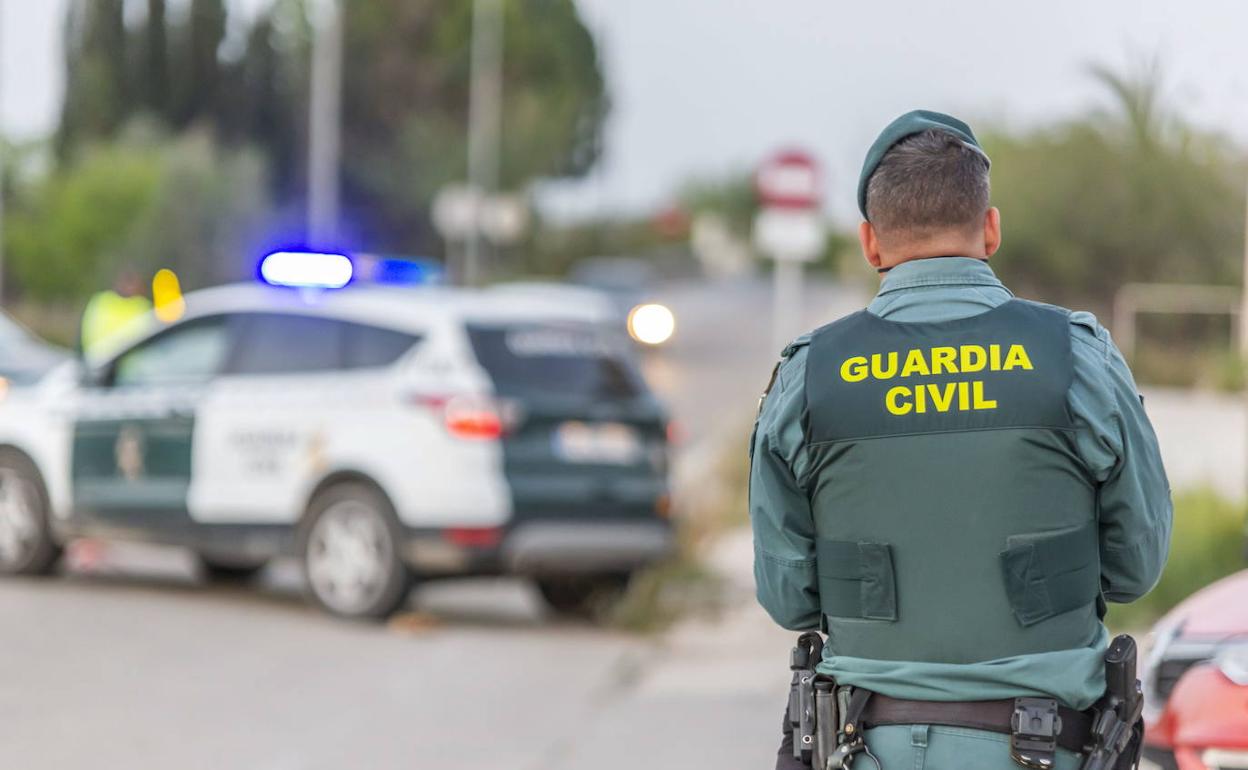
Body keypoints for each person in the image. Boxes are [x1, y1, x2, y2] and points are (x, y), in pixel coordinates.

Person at [750, 110, 1171, 770]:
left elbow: (789, 599)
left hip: (866, 745)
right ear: (991, 229)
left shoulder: (809, 376)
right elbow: (1136, 567)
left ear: (871, 244)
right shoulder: (1077, 359)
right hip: (1043, 746)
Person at [80, 269, 152, 356]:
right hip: (102, 362)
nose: (129, 288)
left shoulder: (100, 301)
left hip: (100, 361)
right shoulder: (100, 301)